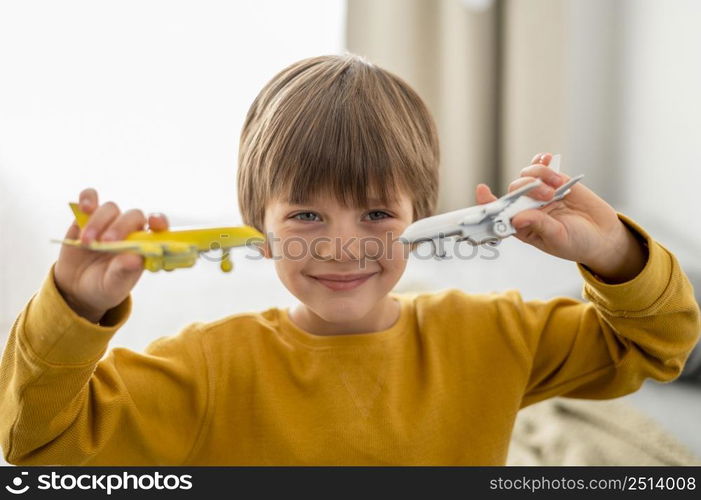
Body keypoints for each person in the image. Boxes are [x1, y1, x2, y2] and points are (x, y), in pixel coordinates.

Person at [1, 54, 699, 465]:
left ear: (419, 220)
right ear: (258, 226)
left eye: (375, 214)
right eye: (305, 215)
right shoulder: (207, 367)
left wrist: (611, 252)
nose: (342, 247)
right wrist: (75, 309)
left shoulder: (492, 338)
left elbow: (658, 344)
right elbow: (37, 447)